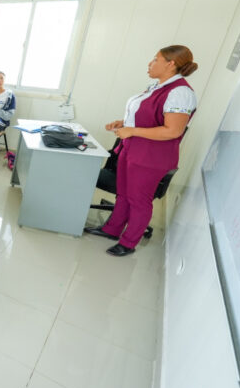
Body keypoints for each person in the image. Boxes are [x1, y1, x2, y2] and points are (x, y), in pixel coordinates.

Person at [85, 45, 199, 257]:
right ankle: (112, 229)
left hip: (151, 158)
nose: (150, 63)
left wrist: (133, 130)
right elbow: (148, 116)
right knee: (124, 194)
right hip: (132, 150)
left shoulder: (180, 93)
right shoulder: (156, 86)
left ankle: (128, 243)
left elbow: (173, 130)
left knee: (139, 200)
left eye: (155, 59)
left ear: (170, 64)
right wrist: (124, 123)